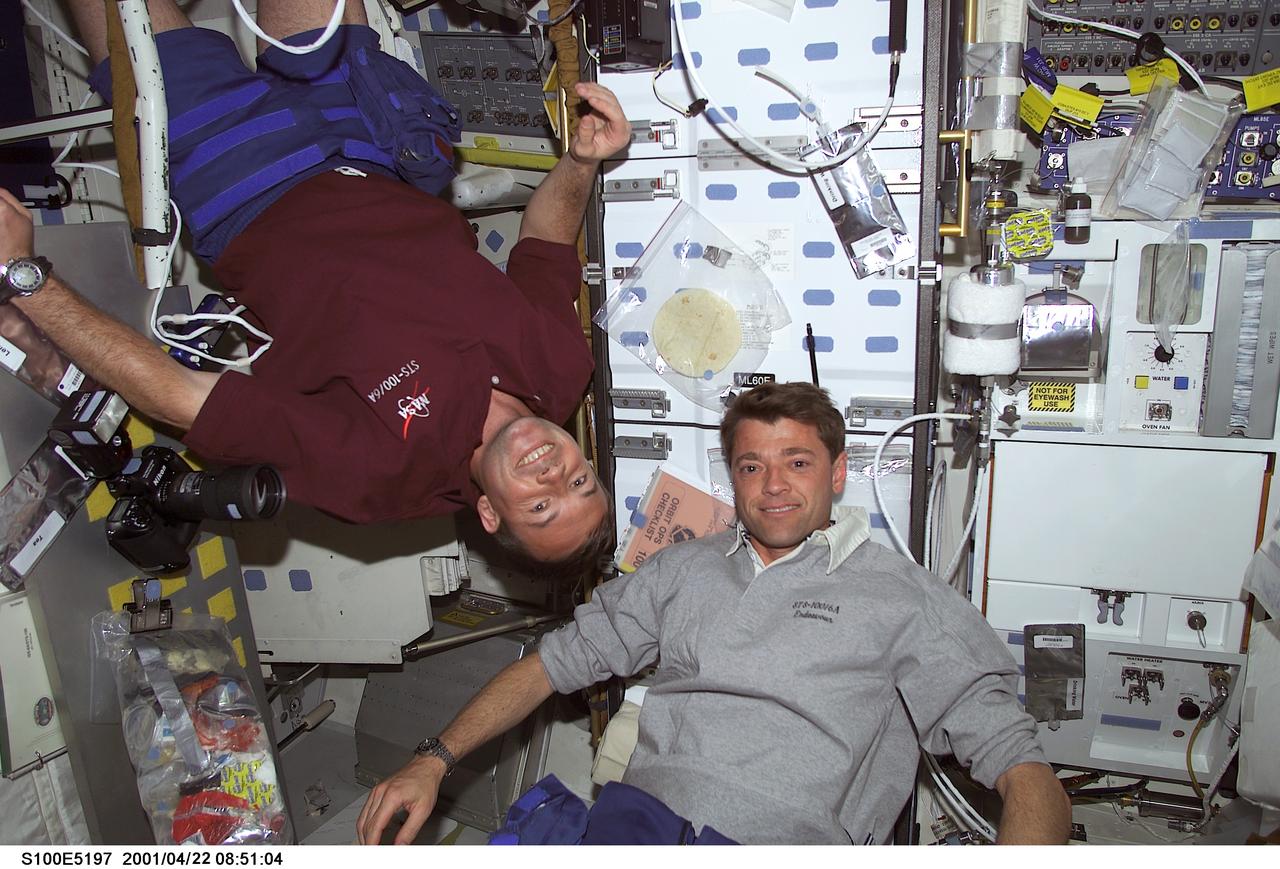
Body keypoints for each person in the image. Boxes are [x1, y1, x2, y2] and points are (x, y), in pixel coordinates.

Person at [0, 0, 627, 573]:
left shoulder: (379, 476)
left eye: (539, 507)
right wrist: (581, 161)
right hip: (373, 140)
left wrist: (27, 282)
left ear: (489, 515)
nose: (552, 474)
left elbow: (179, 397)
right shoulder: (562, 367)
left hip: (243, 181)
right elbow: (544, 245)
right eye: (579, 483)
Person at [355, 381, 1072, 845]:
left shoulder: (903, 596)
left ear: (839, 471)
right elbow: (549, 666)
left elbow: (1024, 772)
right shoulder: (682, 570)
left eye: (797, 462)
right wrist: (432, 759)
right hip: (634, 830)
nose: (773, 486)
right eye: (752, 465)